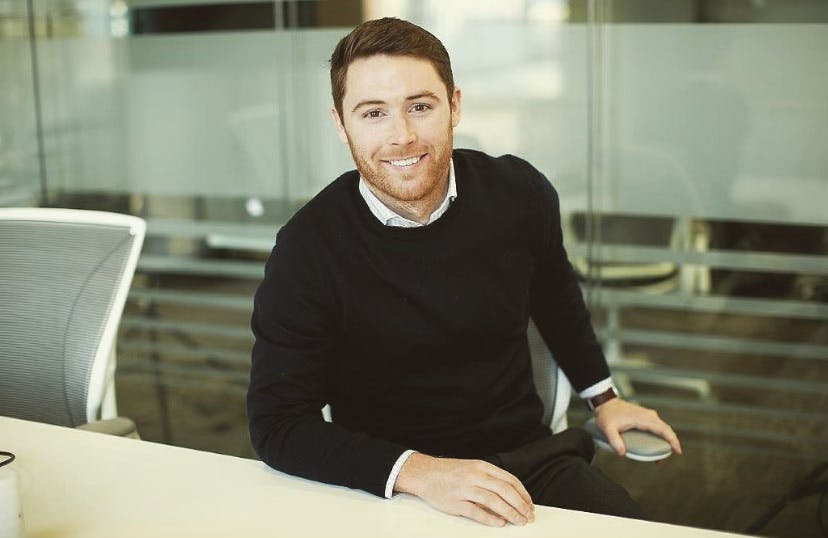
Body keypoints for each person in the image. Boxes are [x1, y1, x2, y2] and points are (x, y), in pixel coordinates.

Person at [247, 17, 682, 528]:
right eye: (374, 113)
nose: (402, 136)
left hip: (529, 463)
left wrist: (604, 398)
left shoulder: (519, 194)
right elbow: (278, 424)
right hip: (395, 486)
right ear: (341, 124)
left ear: (454, 106)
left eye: (420, 106)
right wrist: (423, 473)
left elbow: (556, 300)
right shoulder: (308, 248)